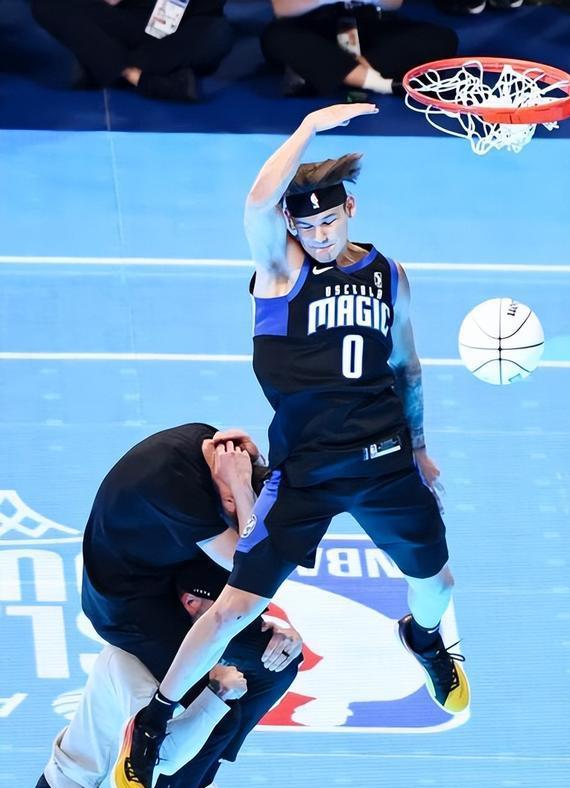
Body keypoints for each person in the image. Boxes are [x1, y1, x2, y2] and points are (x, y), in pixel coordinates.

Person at [114, 105, 470, 787]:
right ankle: (155, 719)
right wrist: (307, 127)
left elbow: (406, 365)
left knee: (438, 585)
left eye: (329, 221)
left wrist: (420, 447)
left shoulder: (389, 275)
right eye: (306, 225)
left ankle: (423, 638)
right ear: (290, 226)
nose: (320, 234)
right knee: (236, 606)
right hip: (306, 472)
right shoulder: (280, 271)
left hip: (385, 460)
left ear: (350, 210)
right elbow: (256, 203)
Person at [78, 423, 303, 787]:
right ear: (230, 499)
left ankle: (197, 776)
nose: (237, 522)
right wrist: (242, 488)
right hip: (127, 608)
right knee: (218, 716)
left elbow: (253, 558)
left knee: (277, 666)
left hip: (172, 579)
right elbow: (253, 566)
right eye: (236, 512)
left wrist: (272, 624)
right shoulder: (178, 491)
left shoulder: (215, 448)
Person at [36, 559, 255, 787]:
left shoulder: (193, 657)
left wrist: (273, 637)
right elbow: (162, 756)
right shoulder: (124, 660)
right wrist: (217, 695)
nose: (239, 618)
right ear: (191, 603)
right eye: (225, 608)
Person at [30, 0, 233, 101]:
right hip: (131, 21)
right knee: (47, 4)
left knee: (218, 34)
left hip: (185, 27)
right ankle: (135, 76)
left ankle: (102, 61)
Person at [261, 0, 458, 96]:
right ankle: (379, 83)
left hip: (368, 24)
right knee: (277, 37)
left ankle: (337, 74)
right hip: (312, 26)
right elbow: (283, 9)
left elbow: (392, 4)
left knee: (442, 38)